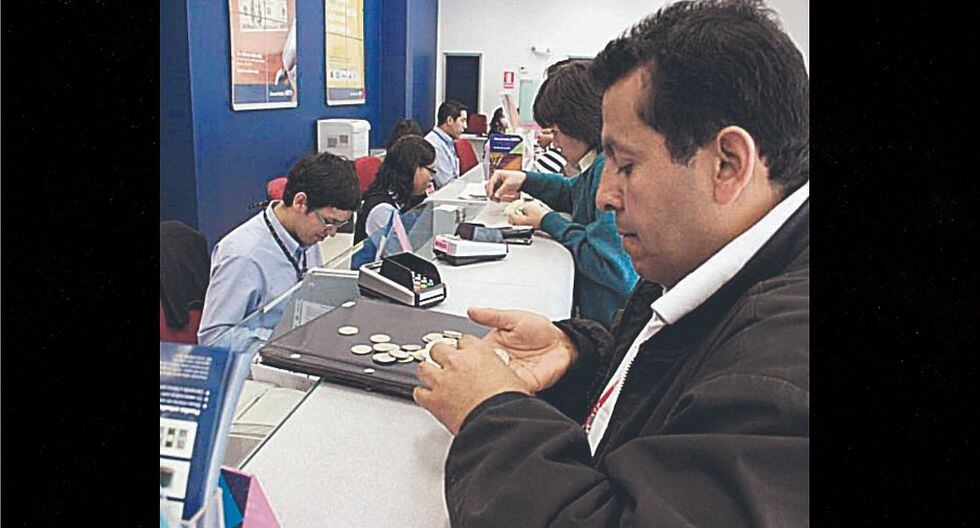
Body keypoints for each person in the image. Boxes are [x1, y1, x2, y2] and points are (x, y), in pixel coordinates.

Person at [415, 0, 810, 525]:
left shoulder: (784, 381)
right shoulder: (702, 261)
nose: (603, 195)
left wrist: (490, 416)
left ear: (728, 165)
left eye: (625, 164)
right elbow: (680, 395)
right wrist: (578, 357)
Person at [485, 59, 638, 329]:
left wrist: (548, 221)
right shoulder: (594, 166)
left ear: (578, 123)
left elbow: (613, 268)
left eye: (556, 133)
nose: (554, 143)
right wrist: (524, 180)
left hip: (609, 327)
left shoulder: (606, 169)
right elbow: (571, 191)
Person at [198, 152, 360, 344]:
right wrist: (284, 341)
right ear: (300, 202)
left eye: (339, 225)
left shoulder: (306, 234)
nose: (332, 233)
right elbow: (213, 338)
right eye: (329, 222)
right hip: (266, 354)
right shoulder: (243, 255)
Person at [354, 135, 436, 244]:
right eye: (431, 171)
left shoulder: (406, 198)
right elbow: (402, 250)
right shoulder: (382, 210)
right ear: (413, 168)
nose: (431, 178)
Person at [424, 99, 468, 189]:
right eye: (462, 121)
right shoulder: (434, 145)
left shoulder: (448, 141)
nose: (465, 126)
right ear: (449, 120)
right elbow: (446, 183)